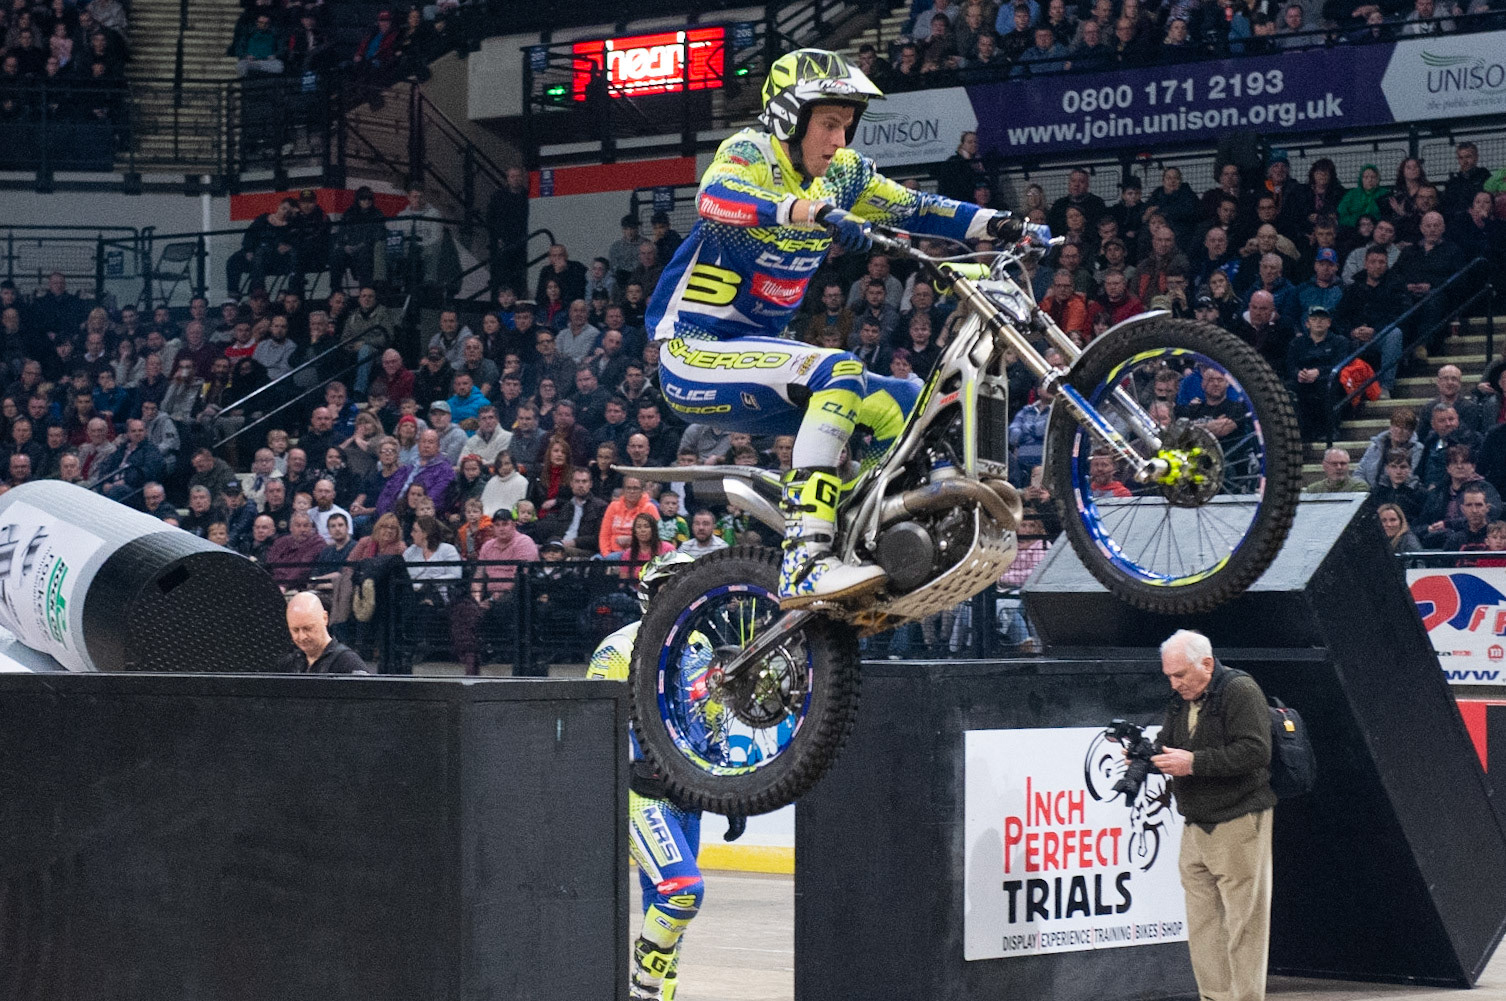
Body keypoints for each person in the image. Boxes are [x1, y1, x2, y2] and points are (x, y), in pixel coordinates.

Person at [647, 48, 1014, 604]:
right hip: (694, 353)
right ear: (789, 119)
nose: (840, 140)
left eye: (847, 125)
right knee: (839, 371)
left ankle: (864, 534)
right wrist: (809, 211)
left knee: (906, 402)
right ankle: (805, 556)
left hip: (758, 355)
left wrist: (1002, 223)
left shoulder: (841, 175)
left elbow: (916, 207)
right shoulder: (751, 152)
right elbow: (714, 197)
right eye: (828, 124)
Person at [586, 552, 743, 1001]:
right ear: (649, 594)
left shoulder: (701, 647)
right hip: (639, 792)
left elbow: (712, 720)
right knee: (682, 892)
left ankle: (656, 995)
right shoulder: (618, 648)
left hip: (688, 796)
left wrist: (729, 790)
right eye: (669, 586)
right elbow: (589, 723)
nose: (680, 594)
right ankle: (643, 989)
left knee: (664, 906)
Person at [1152, 629, 1275, 1001]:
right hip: (1195, 824)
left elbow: (1256, 751)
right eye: (1169, 676)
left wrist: (1193, 763)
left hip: (1238, 819)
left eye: (1180, 675)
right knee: (1204, 925)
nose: (1175, 684)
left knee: (1244, 924)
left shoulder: (1239, 690)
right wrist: (1147, 755)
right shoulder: (1181, 700)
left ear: (1206, 664)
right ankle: (1214, 997)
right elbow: (1167, 742)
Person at [279, 592, 369, 674]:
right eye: (295, 630)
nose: (302, 636)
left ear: (325, 618)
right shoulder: (289, 664)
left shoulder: (349, 664)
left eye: (308, 628)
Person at [1303, 448, 1369, 493]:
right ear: (1325, 466)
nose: (1339, 467)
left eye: (1343, 463)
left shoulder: (1359, 487)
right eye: (1334, 464)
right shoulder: (1313, 490)